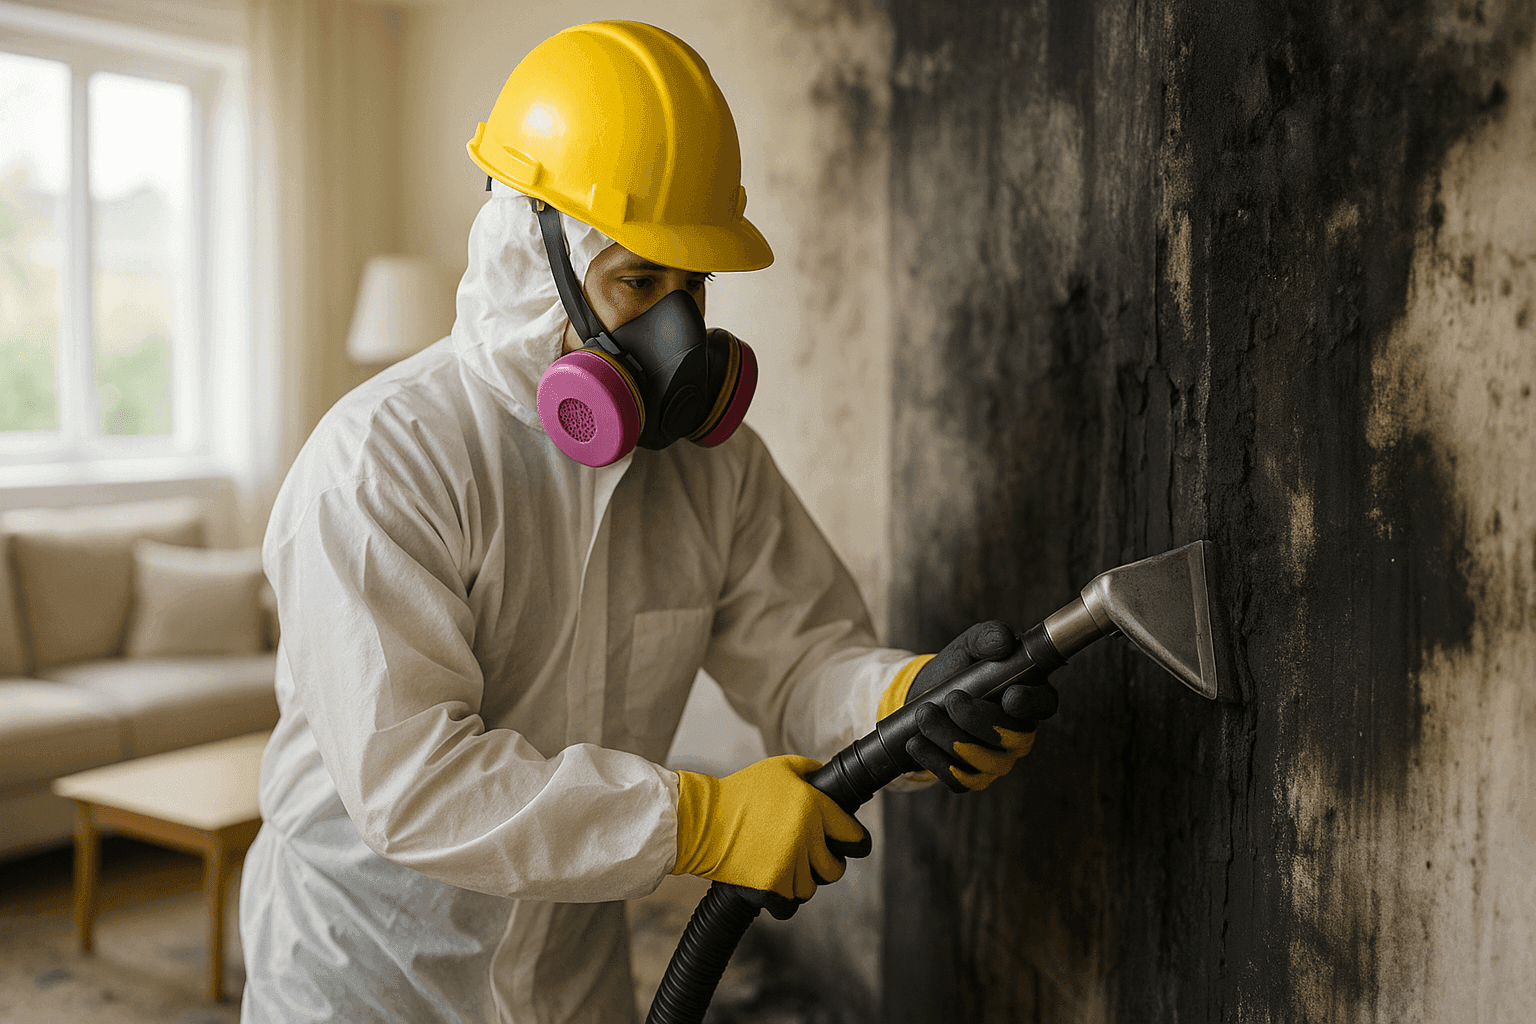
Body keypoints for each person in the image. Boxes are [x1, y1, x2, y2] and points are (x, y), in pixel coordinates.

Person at [239, 20, 1055, 1024]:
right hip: (371, 977)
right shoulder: (381, 463)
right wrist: (699, 819)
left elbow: (800, 661)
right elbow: (415, 782)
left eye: (692, 286)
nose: (678, 334)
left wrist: (907, 699)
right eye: (637, 281)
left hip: (572, 981)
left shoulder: (715, 471)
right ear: (532, 256)